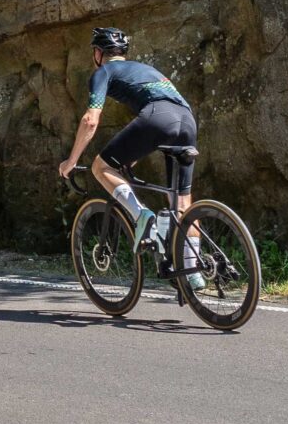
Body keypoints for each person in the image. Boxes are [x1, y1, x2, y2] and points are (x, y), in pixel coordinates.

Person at [55, 27, 205, 287]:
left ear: (98, 53)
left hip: (159, 117)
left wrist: (70, 161)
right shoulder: (146, 69)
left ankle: (141, 216)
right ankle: (193, 272)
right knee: (182, 204)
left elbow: (91, 120)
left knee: (100, 167)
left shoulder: (104, 72)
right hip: (187, 120)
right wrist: (131, 156)